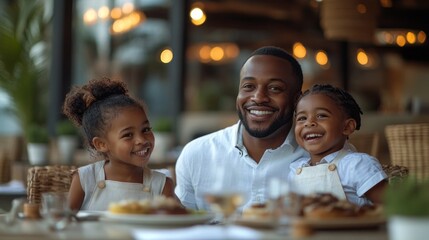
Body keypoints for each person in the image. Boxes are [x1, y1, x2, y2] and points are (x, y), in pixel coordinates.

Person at [175, 46, 308, 211]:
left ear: (297, 100)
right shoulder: (197, 154)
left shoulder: (324, 158)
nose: (258, 97)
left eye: (274, 88)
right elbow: (182, 227)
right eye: (248, 86)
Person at [63, 77, 175, 211]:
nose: (142, 140)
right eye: (128, 135)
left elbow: (173, 226)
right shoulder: (85, 179)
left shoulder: (162, 185)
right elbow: (65, 222)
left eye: (145, 130)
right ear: (101, 144)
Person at [288, 84, 388, 206]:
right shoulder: (295, 169)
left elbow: (391, 207)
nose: (309, 123)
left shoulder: (356, 165)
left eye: (321, 116)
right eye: (302, 118)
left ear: (347, 127)